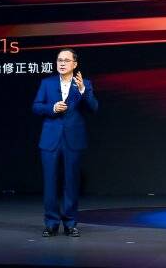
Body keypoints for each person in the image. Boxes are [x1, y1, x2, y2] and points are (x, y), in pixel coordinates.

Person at [32, 48, 99, 237]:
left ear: (74, 64)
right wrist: (52, 108)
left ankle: (70, 223)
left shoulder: (84, 84)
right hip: (50, 140)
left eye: (66, 60)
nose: (62, 63)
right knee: (50, 183)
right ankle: (51, 223)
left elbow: (94, 108)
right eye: (59, 60)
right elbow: (36, 106)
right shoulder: (47, 83)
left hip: (73, 139)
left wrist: (83, 91)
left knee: (71, 182)